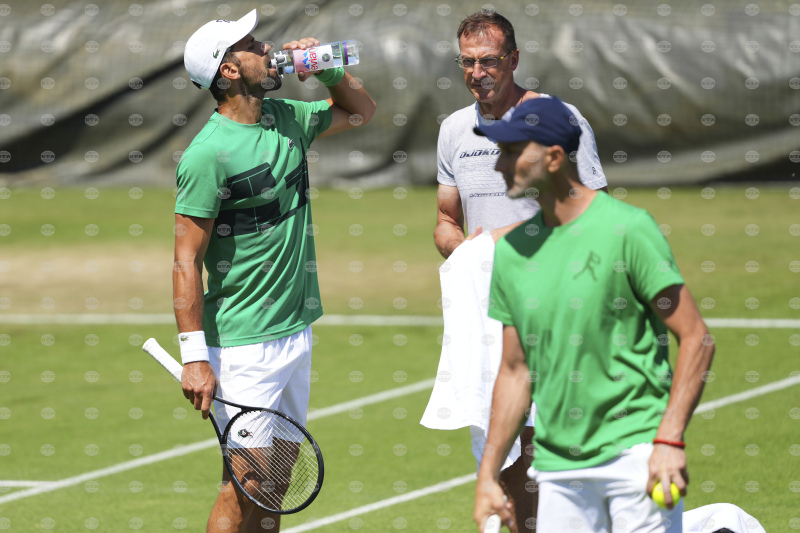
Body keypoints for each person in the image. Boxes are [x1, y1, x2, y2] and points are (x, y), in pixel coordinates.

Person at [471, 96, 715, 532]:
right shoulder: (512, 253)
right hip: (558, 467)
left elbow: (696, 337)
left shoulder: (628, 230)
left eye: (512, 152)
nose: (499, 165)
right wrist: (488, 474)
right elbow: (514, 370)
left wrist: (669, 439)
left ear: (553, 158)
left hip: (637, 453)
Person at [173, 10, 375, 533]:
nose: (268, 47)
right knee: (243, 484)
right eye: (252, 44)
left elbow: (361, 111)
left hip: (294, 329)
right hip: (243, 345)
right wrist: (194, 357)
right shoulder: (205, 156)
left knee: (277, 483)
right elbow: (185, 259)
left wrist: (329, 69)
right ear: (229, 71)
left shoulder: (286, 116)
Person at [423, 10, 607, 532]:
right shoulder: (454, 129)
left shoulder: (559, 119)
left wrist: (514, 243)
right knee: (506, 449)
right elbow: (444, 221)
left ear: (514, 59)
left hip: (559, 307)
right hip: (491, 315)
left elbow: (593, 212)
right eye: (468, 62)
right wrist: (466, 250)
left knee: (556, 449)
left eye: (489, 61)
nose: (478, 72)